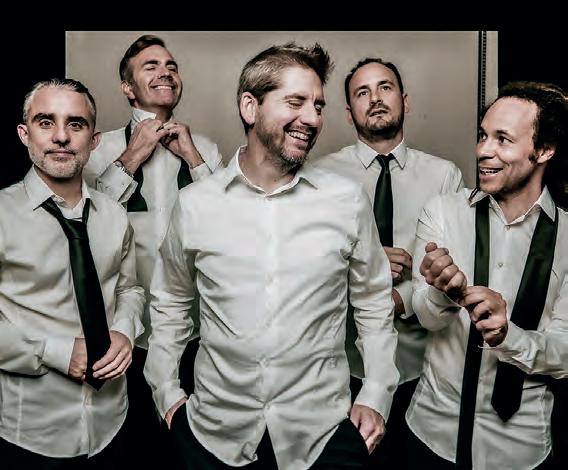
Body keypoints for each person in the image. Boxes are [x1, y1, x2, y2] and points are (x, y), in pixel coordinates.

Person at [144, 42, 399, 469]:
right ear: (250, 106)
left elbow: (373, 301)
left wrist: (376, 393)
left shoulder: (346, 200)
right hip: (213, 436)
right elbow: (170, 301)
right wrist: (166, 393)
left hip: (325, 438)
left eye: (318, 106)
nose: (312, 118)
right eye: (296, 102)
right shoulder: (195, 204)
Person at [408, 81, 568, 469]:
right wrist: (442, 293)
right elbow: (424, 317)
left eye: (502, 139)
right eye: (482, 135)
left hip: (519, 448)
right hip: (431, 433)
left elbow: (564, 355)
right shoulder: (442, 213)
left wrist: (507, 335)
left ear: (544, 150)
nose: (483, 150)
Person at [312, 57, 463, 467]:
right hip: (341, 368)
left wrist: (399, 299)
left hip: (423, 370)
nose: (375, 98)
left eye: (385, 87)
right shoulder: (320, 177)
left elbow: (456, 267)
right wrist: (367, 264)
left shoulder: (444, 176)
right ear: (349, 113)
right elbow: (305, 269)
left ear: (405, 101)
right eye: (362, 92)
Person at [83, 34, 223, 466]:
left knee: (189, 447)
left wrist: (194, 159)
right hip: (123, 333)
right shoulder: (97, 149)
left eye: (171, 66)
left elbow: (228, 226)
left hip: (194, 330)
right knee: (131, 449)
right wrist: (132, 156)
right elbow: (85, 226)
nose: (166, 72)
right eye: (151, 66)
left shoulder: (207, 150)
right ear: (127, 88)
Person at [0, 78, 145, 469]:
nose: (61, 136)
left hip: (113, 422)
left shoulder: (114, 215)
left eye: (75, 124)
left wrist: (125, 331)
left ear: (93, 140)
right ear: (24, 134)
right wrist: (56, 352)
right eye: (46, 122)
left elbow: (130, 289)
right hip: (30, 436)